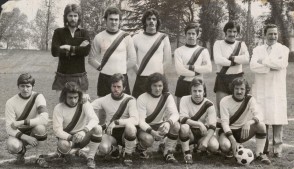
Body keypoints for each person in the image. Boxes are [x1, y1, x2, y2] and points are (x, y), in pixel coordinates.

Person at [250, 24, 289, 157]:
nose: (273, 36)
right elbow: (253, 66)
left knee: (277, 118)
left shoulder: (283, 49)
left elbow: (281, 64)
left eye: (275, 34)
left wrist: (264, 61)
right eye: (270, 34)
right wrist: (269, 66)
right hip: (261, 89)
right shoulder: (257, 49)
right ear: (264, 34)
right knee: (263, 118)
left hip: (277, 89)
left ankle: (277, 149)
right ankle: (264, 148)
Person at [218, 77, 271, 164]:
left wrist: (249, 122)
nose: (239, 92)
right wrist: (232, 139)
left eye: (242, 89)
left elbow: (260, 115)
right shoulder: (224, 101)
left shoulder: (250, 99)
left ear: (246, 90)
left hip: (242, 131)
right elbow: (224, 123)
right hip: (227, 132)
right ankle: (232, 148)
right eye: (236, 89)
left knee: (261, 125)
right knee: (225, 146)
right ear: (232, 89)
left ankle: (259, 153)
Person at [91, 73, 139, 166]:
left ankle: (128, 154)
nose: (116, 89)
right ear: (111, 87)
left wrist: (116, 122)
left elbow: (135, 120)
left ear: (124, 87)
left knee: (131, 127)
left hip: (125, 132)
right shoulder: (104, 99)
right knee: (103, 149)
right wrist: (83, 99)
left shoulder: (131, 99)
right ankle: (114, 149)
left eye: (119, 87)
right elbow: (89, 107)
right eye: (114, 86)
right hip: (111, 132)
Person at [52, 82, 102, 169]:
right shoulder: (58, 108)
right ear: (64, 96)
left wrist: (84, 131)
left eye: (75, 97)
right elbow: (57, 130)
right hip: (68, 139)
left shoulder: (84, 103)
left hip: (82, 137)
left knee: (98, 128)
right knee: (63, 146)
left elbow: (95, 119)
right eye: (70, 97)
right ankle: (73, 152)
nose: (73, 100)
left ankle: (90, 158)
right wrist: (71, 138)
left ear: (79, 96)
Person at [89, 6, 136, 97]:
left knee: (123, 107)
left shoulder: (126, 37)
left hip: (122, 78)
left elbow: (133, 59)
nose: (114, 22)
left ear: (119, 21)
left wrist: (121, 70)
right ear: (105, 20)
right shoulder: (99, 37)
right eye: (111, 19)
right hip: (104, 78)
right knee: (103, 108)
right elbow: (91, 59)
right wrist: (102, 68)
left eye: (116, 20)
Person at [5, 73, 49, 167]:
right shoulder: (10, 102)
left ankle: (39, 157)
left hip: (34, 129)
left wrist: (22, 122)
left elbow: (44, 119)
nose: (25, 89)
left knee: (41, 128)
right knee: (12, 145)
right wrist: (26, 137)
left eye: (28, 86)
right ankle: (21, 152)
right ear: (18, 86)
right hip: (20, 132)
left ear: (33, 86)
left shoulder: (38, 97)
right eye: (22, 86)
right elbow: (9, 128)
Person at [136, 73, 180, 163]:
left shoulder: (167, 96)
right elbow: (141, 121)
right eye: (154, 85)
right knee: (149, 140)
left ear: (164, 86)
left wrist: (168, 123)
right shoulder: (142, 98)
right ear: (150, 86)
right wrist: (152, 132)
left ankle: (168, 152)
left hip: (160, 125)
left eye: (160, 85)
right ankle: (140, 148)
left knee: (176, 125)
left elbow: (175, 114)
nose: (157, 88)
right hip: (145, 128)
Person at [51, 4, 91, 100]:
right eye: (70, 16)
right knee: (62, 106)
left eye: (75, 16)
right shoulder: (58, 32)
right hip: (62, 75)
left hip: (80, 75)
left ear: (79, 17)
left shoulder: (84, 33)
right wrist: (77, 49)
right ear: (66, 17)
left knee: (79, 107)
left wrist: (68, 47)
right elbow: (55, 51)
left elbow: (86, 51)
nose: (73, 19)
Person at [132, 9, 172, 98]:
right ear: (145, 21)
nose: (151, 21)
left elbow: (168, 61)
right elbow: (132, 59)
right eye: (149, 19)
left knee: (160, 107)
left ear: (157, 22)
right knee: (138, 106)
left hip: (158, 79)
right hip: (142, 78)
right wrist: (138, 72)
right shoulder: (136, 37)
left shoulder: (163, 38)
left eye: (154, 19)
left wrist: (158, 76)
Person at [179, 78, 218, 164]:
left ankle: (198, 147)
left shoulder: (209, 104)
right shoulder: (184, 99)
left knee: (214, 146)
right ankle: (187, 153)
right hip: (189, 132)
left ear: (204, 92)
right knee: (184, 127)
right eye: (194, 91)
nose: (197, 94)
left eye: (200, 91)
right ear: (190, 91)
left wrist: (206, 141)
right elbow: (183, 119)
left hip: (202, 133)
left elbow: (212, 126)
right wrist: (199, 124)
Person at [213, 21, 250, 115]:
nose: (232, 34)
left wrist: (231, 58)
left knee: (238, 109)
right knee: (221, 108)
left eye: (234, 31)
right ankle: (222, 129)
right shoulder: (218, 43)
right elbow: (218, 60)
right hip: (222, 78)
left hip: (238, 78)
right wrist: (237, 61)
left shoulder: (241, 44)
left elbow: (246, 59)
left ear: (237, 33)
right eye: (229, 31)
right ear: (225, 32)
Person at [174, 22, 212, 108]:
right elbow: (179, 70)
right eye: (189, 33)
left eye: (193, 33)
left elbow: (208, 69)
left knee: (199, 111)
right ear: (185, 35)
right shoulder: (178, 51)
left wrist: (191, 67)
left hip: (198, 84)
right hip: (183, 84)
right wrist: (197, 72)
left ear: (197, 35)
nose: (191, 36)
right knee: (181, 111)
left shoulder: (203, 51)